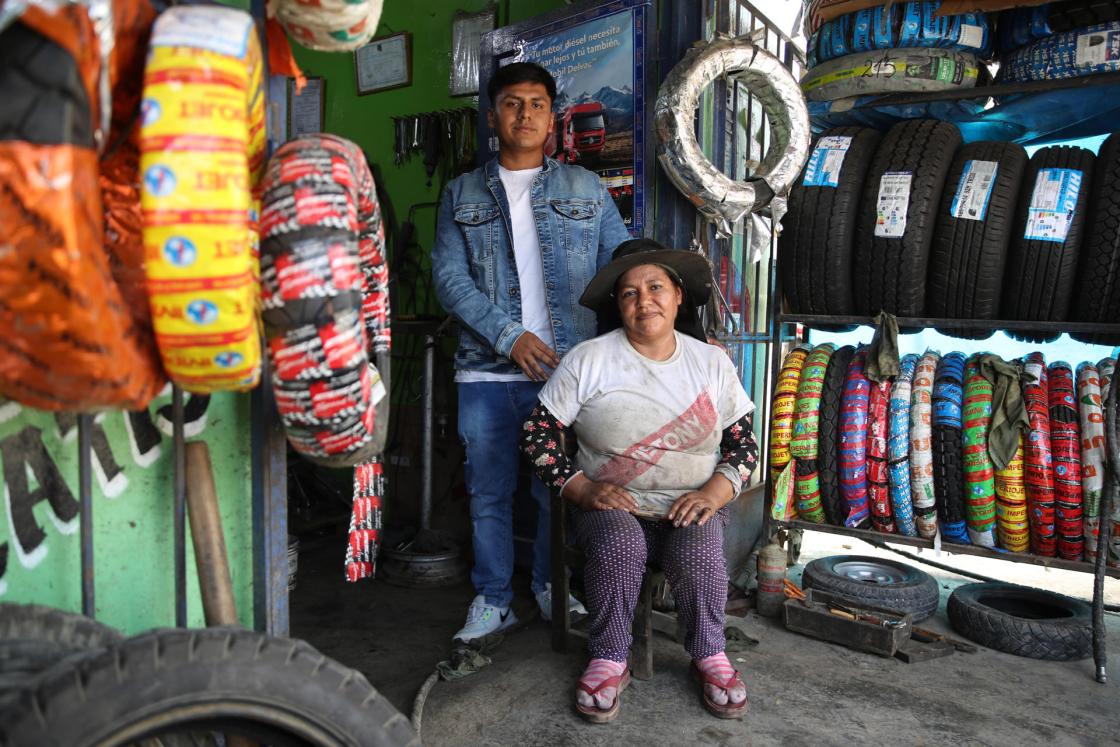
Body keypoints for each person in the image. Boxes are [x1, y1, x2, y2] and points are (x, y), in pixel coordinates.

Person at [432, 61, 631, 642]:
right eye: (513, 103)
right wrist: (509, 337)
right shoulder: (461, 193)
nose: (525, 114)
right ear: (493, 116)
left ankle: (550, 589)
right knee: (488, 493)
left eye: (537, 104)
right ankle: (493, 598)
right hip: (485, 374)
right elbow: (449, 280)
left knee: (558, 492)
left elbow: (622, 267)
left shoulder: (586, 188)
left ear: (551, 118)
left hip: (567, 372)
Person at [521, 239, 758, 722]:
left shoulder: (711, 363)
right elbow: (537, 435)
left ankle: (710, 655)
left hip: (690, 505)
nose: (643, 301)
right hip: (611, 508)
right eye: (629, 293)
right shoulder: (588, 359)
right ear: (619, 305)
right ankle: (609, 657)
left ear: (678, 296)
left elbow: (744, 445)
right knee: (619, 545)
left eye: (655, 288)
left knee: (698, 548)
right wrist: (582, 488)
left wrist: (713, 492)